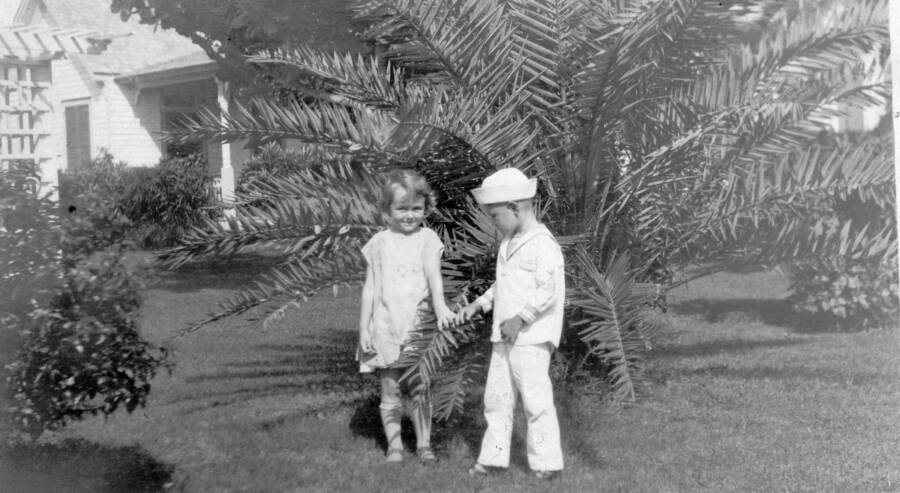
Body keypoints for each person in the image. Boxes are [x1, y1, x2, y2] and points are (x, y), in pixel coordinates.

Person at [457, 167, 565, 480]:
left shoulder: (544, 244)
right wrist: (480, 303)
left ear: (514, 208)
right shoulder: (510, 241)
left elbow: (549, 289)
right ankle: (492, 458)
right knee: (497, 398)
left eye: (495, 216)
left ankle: (546, 464)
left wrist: (520, 319)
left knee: (535, 399)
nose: (493, 222)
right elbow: (502, 284)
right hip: (503, 335)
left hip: (530, 337)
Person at [358, 169, 455, 464]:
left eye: (416, 208)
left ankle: (424, 444)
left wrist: (441, 308)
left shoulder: (428, 239)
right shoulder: (378, 243)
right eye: (402, 209)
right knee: (389, 387)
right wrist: (364, 328)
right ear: (387, 212)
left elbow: (434, 278)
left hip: (417, 326)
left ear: (426, 208)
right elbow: (370, 289)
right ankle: (395, 445)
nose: (410, 215)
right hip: (385, 327)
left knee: (420, 385)